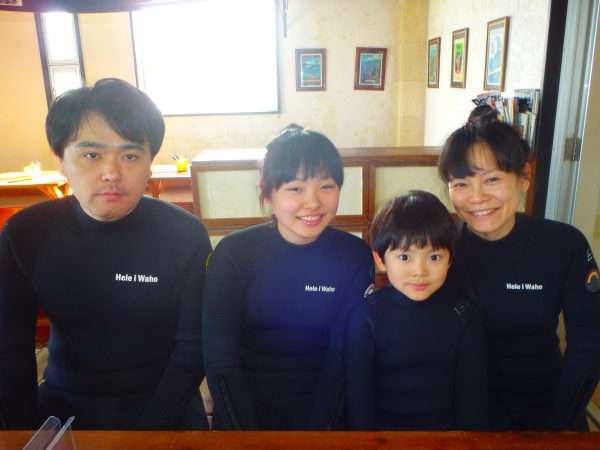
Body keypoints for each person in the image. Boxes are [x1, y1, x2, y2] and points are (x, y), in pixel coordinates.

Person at [0, 78, 212, 430]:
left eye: (130, 156)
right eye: (91, 155)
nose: (112, 173)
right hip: (62, 406)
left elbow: (193, 348)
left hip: (165, 407)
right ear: (60, 160)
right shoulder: (25, 232)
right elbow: (9, 349)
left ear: (150, 163)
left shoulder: (184, 233)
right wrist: (23, 433)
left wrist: (147, 434)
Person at [202, 125, 374, 430]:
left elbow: (342, 357)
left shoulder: (353, 256)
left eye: (326, 186)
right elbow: (220, 359)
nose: (313, 202)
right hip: (245, 406)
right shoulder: (234, 253)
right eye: (295, 188)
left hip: (323, 408)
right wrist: (248, 438)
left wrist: (317, 437)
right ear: (268, 192)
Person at [438, 106, 600, 431]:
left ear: (523, 178)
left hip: (548, 404)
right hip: (465, 408)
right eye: (461, 184)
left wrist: (559, 425)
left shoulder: (563, 244)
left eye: (492, 179)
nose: (477, 198)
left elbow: (588, 344)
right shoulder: (440, 250)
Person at [344, 190, 488, 431]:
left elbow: (472, 401)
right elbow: (358, 402)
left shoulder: (463, 315)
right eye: (404, 257)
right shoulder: (365, 317)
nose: (420, 271)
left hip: (445, 438)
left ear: (450, 260)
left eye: (434, 257)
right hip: (382, 438)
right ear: (380, 259)